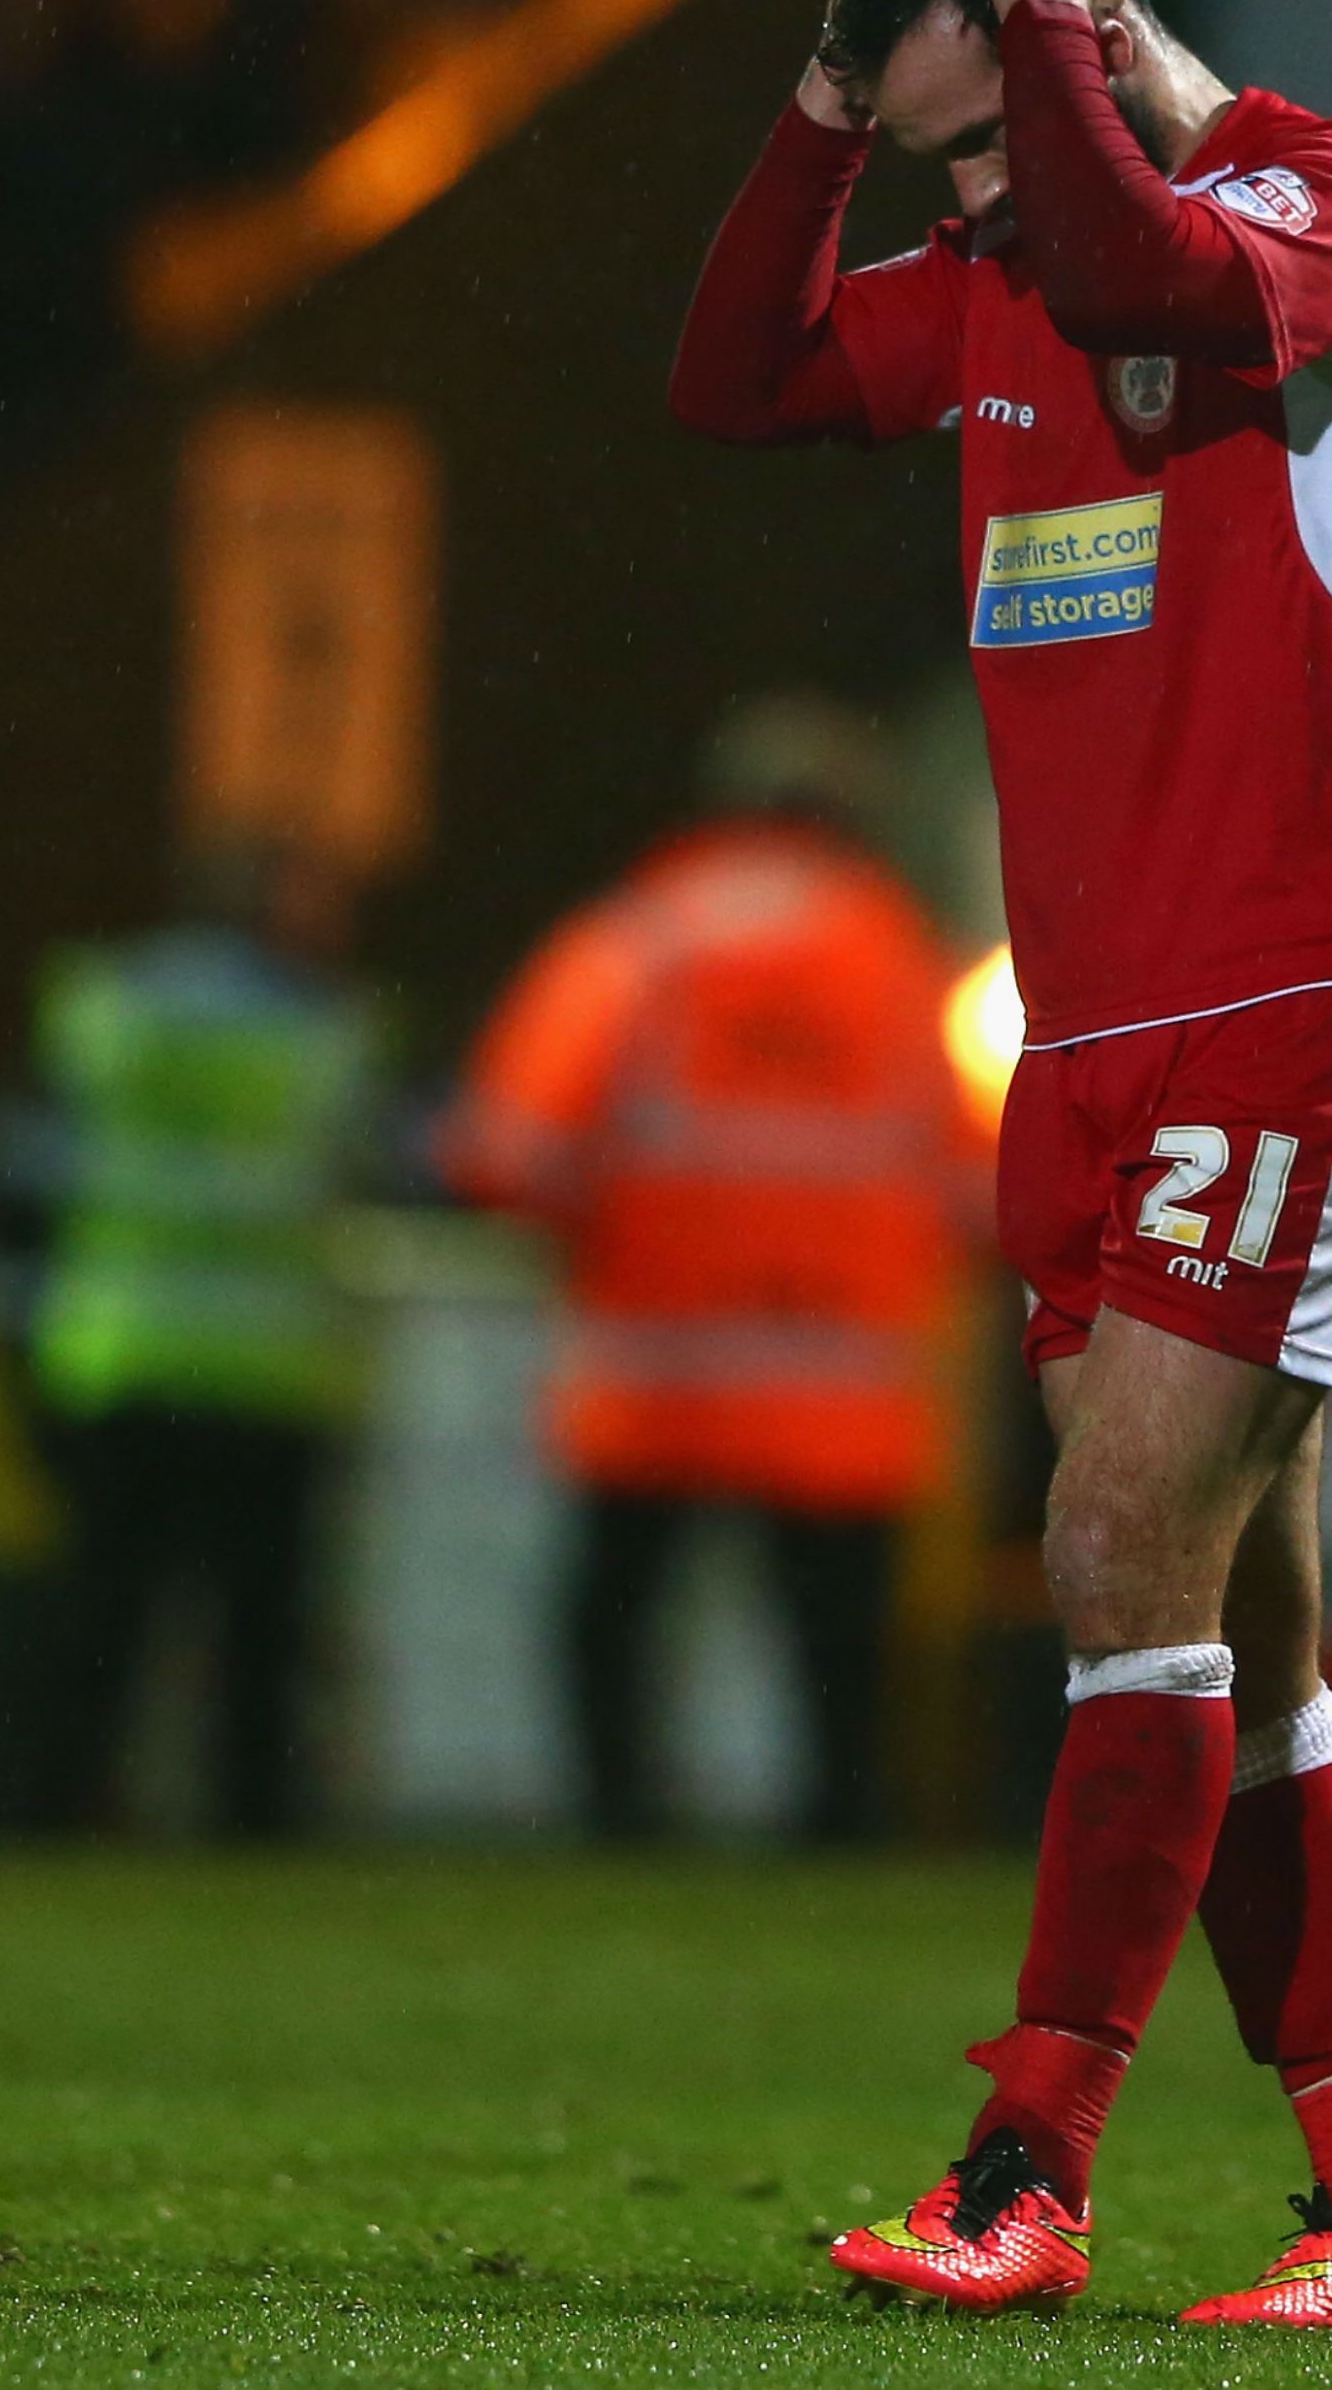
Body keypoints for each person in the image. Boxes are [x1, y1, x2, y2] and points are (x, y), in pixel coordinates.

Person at [670, 0, 1332, 2323]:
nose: (977, 203)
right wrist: (831, 103)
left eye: (987, 140)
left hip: (1312, 978)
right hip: (1099, 1022)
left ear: (1085, 29)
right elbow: (739, 372)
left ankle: (1026, 2159)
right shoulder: (1018, 259)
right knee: (1245, 1627)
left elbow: (1150, 267)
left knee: (1117, 1553)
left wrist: (1067, 45)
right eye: (940, 165)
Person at [440, 699, 982, 1847]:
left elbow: (504, 1152)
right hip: (840, 1388)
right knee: (832, 1645)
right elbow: (980, 1185)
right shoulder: (896, 958)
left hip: (657, 1377)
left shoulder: (636, 945)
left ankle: (620, 1828)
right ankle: (838, 1837)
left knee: (617, 1618)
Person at [16, 843, 381, 1838]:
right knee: (257, 1631)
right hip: (262, 1368)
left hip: (120, 1354)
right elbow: (368, 1161)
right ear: (269, 907)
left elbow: (29, 1162)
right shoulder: (324, 1029)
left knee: (101, 1617)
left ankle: (49, 1819)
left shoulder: (108, 1007)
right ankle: (251, 1832)